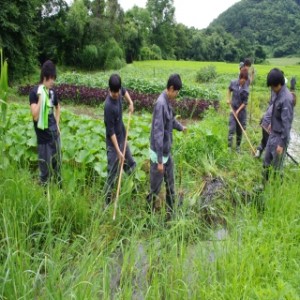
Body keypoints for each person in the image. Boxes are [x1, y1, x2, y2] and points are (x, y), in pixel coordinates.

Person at [146, 74, 186, 219]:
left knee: (170, 183)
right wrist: (160, 162)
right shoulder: (160, 104)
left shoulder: (168, 101)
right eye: (176, 92)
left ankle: (171, 212)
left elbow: (171, 121)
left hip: (166, 153)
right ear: (170, 88)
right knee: (155, 188)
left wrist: (181, 127)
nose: (176, 95)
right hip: (159, 156)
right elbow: (157, 134)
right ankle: (148, 215)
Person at [103, 74, 136, 205]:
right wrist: (118, 151)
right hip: (113, 145)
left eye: (118, 92)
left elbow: (125, 91)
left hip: (122, 137)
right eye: (114, 93)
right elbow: (110, 132)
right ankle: (106, 202)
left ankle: (133, 189)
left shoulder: (119, 89)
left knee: (131, 166)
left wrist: (130, 102)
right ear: (109, 89)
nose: (117, 95)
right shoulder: (108, 106)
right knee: (112, 174)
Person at [29, 60, 62, 187]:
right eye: (51, 79)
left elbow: (58, 107)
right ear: (44, 77)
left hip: (54, 135)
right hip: (43, 139)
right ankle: (44, 195)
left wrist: (57, 124)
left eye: (54, 78)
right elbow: (35, 116)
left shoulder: (53, 93)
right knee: (44, 171)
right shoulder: (34, 93)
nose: (53, 81)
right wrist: (41, 97)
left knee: (57, 166)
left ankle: (59, 190)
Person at [263, 68, 294, 183]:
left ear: (279, 84)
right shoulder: (278, 93)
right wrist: (272, 123)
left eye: (273, 86)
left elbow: (287, 125)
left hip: (280, 138)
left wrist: (281, 144)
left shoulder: (286, 99)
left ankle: (276, 191)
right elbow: (277, 114)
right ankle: (264, 186)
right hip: (273, 133)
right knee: (266, 162)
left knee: (277, 169)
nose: (272, 89)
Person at [255, 76, 296, 158]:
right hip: (268, 124)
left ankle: (259, 152)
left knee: (265, 141)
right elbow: (286, 125)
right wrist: (281, 144)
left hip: (266, 122)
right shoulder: (284, 100)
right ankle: (264, 156)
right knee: (270, 145)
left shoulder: (279, 99)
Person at [227, 68, 249, 152]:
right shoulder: (233, 82)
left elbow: (245, 103)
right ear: (239, 77)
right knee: (231, 128)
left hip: (241, 112)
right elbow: (229, 89)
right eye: (241, 79)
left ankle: (238, 147)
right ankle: (229, 147)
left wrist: (238, 111)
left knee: (240, 131)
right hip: (233, 109)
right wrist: (228, 99)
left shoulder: (246, 89)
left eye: (244, 81)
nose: (242, 82)